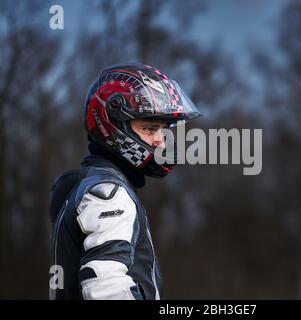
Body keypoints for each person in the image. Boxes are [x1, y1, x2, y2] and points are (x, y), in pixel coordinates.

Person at [48, 63, 201, 300]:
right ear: (114, 125)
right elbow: (106, 287)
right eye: (150, 129)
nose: (160, 141)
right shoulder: (108, 193)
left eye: (162, 130)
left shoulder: (84, 185)